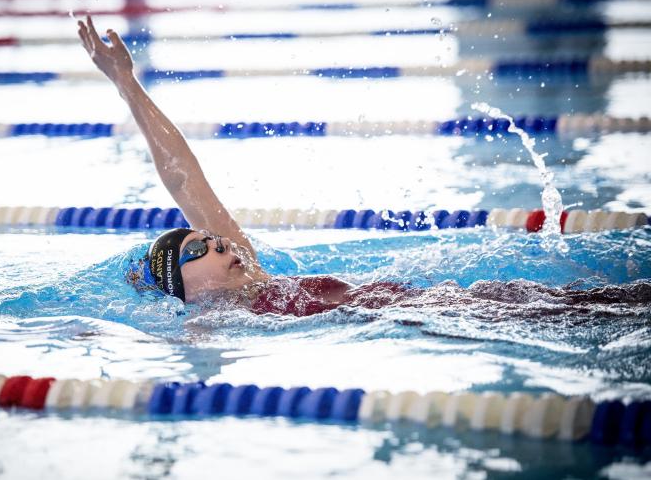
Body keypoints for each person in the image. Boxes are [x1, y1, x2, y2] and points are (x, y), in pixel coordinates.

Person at [75, 16, 422, 316]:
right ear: (185, 291)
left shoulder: (254, 274)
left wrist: (126, 82)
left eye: (210, 238)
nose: (219, 243)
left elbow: (183, 177)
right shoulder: (215, 320)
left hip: (423, 302)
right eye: (198, 250)